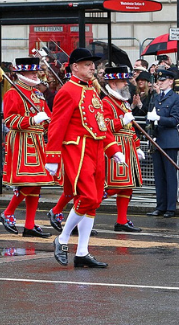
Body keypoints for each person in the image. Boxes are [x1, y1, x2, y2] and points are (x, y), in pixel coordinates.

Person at [46, 48, 124, 268]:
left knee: (94, 202)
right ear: (75, 68)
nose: (93, 67)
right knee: (87, 196)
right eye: (88, 64)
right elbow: (57, 126)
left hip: (96, 149)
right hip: (77, 150)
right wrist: (52, 156)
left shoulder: (92, 90)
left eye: (92, 64)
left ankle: (82, 252)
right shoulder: (67, 91)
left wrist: (113, 149)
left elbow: (101, 124)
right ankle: (61, 239)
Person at [0, 57, 53, 237]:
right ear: (22, 74)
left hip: (37, 140)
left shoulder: (37, 94)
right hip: (22, 141)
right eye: (31, 72)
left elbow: (47, 116)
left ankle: (29, 225)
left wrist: (49, 123)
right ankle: (8, 212)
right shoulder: (13, 93)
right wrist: (31, 120)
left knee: (37, 184)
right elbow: (9, 120)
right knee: (29, 181)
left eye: (35, 71)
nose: (35, 74)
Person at [102, 66, 144, 232]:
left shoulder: (123, 103)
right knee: (114, 186)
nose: (126, 84)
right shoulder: (106, 102)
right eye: (122, 82)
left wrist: (137, 146)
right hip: (116, 147)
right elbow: (104, 127)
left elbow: (130, 128)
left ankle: (122, 220)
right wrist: (121, 121)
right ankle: (83, 210)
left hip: (128, 147)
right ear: (113, 84)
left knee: (128, 185)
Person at [145, 68, 179, 218]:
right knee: (159, 176)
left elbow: (174, 120)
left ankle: (170, 207)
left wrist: (159, 119)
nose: (159, 83)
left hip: (169, 140)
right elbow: (149, 117)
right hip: (157, 139)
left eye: (163, 80)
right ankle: (160, 206)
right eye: (158, 81)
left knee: (170, 176)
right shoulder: (155, 97)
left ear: (171, 81)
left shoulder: (176, 99)